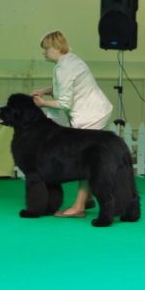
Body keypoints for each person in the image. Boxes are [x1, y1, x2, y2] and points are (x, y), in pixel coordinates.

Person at [32, 30, 114, 218]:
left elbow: (64, 103)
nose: (43, 53)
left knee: (85, 160)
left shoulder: (64, 68)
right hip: (97, 110)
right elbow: (68, 86)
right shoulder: (71, 60)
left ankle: (79, 207)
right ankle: (88, 197)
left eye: (45, 49)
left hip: (90, 115)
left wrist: (42, 103)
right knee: (88, 157)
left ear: (54, 48)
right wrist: (45, 90)